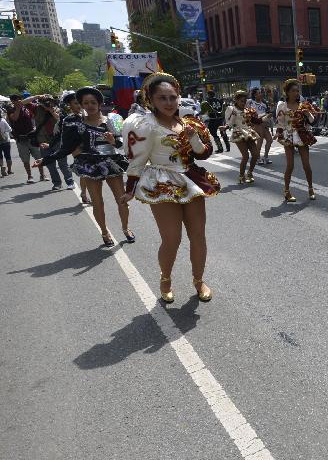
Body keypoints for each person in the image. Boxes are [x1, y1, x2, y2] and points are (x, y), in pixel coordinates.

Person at [119, 72, 220, 303]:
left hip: (190, 179)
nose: (168, 102)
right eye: (162, 98)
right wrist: (129, 189)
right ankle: (165, 279)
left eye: (172, 97)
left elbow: (204, 153)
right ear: (151, 100)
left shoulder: (188, 122)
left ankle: (198, 280)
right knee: (172, 238)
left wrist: (194, 139)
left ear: (178, 97)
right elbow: (138, 160)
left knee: (198, 236)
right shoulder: (146, 125)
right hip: (161, 182)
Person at [38, 86, 134, 247]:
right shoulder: (75, 123)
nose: (90, 105)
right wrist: (46, 159)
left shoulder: (113, 119)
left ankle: (126, 228)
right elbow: (65, 147)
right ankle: (104, 232)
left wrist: (113, 142)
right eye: (86, 103)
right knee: (97, 202)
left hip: (112, 162)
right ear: (82, 105)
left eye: (93, 102)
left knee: (122, 200)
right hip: (89, 165)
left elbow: (124, 144)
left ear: (100, 103)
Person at [275, 78, 317, 203]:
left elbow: (312, 121)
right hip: (288, 136)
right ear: (287, 92)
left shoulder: (303, 105)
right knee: (290, 165)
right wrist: (278, 133)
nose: (296, 93)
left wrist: (308, 114)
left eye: (297, 91)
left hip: (302, 135)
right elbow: (280, 123)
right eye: (293, 91)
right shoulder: (282, 106)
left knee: (306, 165)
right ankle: (287, 191)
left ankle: (310, 188)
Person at [8, 93, 45, 183]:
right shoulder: (11, 110)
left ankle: (42, 175)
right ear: (12, 101)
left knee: (38, 156)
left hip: (31, 137)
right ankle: (30, 176)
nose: (17, 101)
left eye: (18, 99)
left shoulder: (26, 108)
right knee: (25, 160)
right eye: (15, 100)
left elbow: (30, 102)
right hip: (20, 139)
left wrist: (37, 96)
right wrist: (18, 108)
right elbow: (15, 118)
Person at [224, 90, 260, 183]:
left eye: (245, 101)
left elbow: (255, 120)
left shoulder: (247, 110)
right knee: (246, 156)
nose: (243, 103)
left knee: (255, 155)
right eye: (241, 101)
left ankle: (250, 173)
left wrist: (265, 118)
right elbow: (230, 122)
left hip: (249, 133)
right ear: (236, 100)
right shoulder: (232, 110)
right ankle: (241, 175)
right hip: (239, 133)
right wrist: (226, 127)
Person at [248, 87, 274, 165]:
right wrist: (262, 117)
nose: (261, 94)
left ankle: (265, 157)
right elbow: (252, 116)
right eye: (259, 93)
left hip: (264, 124)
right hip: (257, 124)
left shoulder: (264, 103)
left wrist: (269, 114)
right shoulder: (251, 103)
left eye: (260, 93)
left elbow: (268, 112)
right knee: (260, 141)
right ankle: (257, 158)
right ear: (255, 95)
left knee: (270, 140)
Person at [0, 110, 12, 177]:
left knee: (0, 157)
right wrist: (4, 131)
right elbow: (10, 129)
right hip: (5, 140)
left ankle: (2, 169)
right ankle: (9, 170)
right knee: (8, 155)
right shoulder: (3, 121)